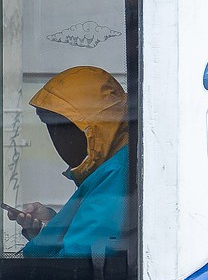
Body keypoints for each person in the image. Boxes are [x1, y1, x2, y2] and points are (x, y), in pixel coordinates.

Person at [5, 66, 132, 260]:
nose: (57, 137)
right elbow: (84, 242)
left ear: (95, 129)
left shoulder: (115, 175)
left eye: (63, 126)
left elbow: (75, 268)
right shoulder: (107, 170)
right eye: (49, 126)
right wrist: (51, 227)